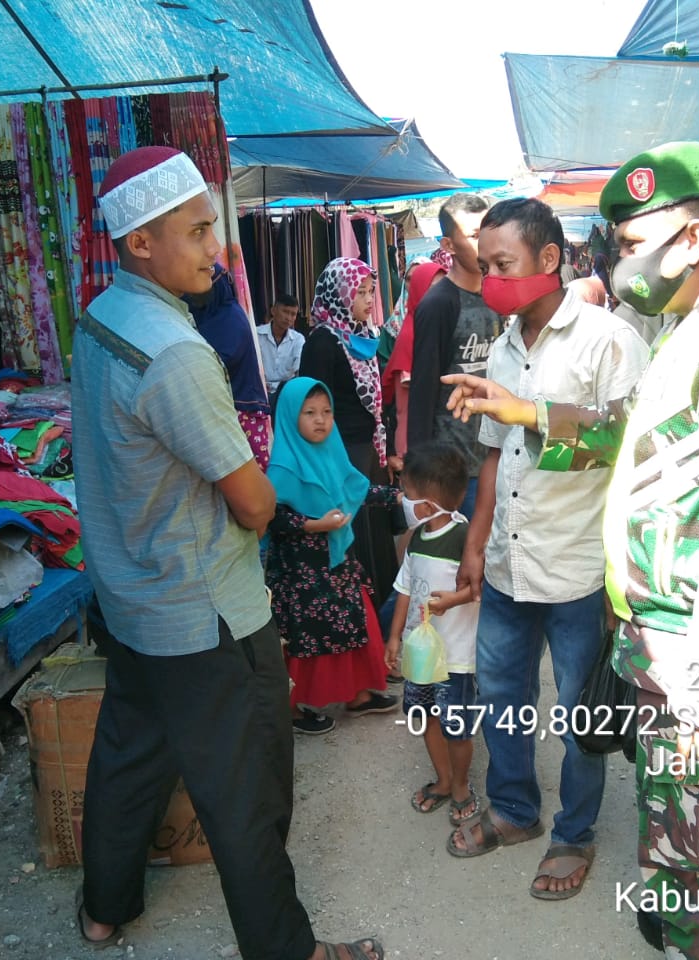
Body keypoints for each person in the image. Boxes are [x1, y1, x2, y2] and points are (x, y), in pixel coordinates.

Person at [444, 141, 699, 958]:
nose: (617, 265)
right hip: (665, 638)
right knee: (678, 824)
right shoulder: (698, 325)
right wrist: (534, 417)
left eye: (626, 245)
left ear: (690, 240)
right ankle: (678, 915)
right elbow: (631, 442)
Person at [72, 145, 383, 960]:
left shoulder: (103, 317)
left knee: (131, 750)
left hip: (134, 592)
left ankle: (103, 910)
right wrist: (274, 489)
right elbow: (251, 502)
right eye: (199, 231)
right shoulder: (176, 353)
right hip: (205, 605)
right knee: (244, 786)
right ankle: (292, 950)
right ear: (141, 242)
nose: (219, 250)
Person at [443, 198, 649, 902]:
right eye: (485, 264)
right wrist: (475, 544)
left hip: (577, 568)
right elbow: (496, 456)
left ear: (550, 260)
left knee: (578, 714)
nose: (491, 277)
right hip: (507, 562)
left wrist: (529, 413)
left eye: (502, 265)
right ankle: (517, 811)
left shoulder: (608, 340)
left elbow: (628, 445)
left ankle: (574, 834)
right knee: (502, 695)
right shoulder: (504, 344)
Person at [265, 377, 400, 734]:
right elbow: (270, 516)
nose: (321, 420)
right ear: (290, 417)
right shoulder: (281, 468)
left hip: (336, 562)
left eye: (326, 411)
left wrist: (397, 497)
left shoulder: (332, 452)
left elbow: (354, 487)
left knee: (356, 622)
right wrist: (312, 525)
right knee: (303, 638)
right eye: (309, 412)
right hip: (301, 575)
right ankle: (291, 709)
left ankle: (356, 694)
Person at [383, 442, 481, 827]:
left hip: (455, 656)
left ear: (426, 504)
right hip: (420, 654)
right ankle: (442, 781)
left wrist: (451, 601)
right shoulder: (417, 538)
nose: (403, 500)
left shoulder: (465, 539)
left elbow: (480, 588)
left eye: (407, 494)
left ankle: (460, 786)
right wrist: (395, 638)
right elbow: (404, 590)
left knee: (456, 727)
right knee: (424, 717)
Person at [298, 257, 400, 608]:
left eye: (371, 291)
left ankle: (381, 609)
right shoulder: (323, 343)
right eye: (361, 292)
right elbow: (311, 406)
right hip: (340, 452)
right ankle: (361, 610)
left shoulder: (363, 336)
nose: (370, 300)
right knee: (355, 533)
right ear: (340, 295)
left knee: (374, 530)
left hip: (367, 449)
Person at [408, 193, 502, 518]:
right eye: (475, 236)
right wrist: (419, 473)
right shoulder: (439, 304)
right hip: (454, 469)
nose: (486, 244)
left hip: (496, 456)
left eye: (489, 231)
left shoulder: (498, 294)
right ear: (448, 245)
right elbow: (422, 390)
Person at [185, 264, 272, 471]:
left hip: (242, 409)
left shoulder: (229, 317)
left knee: (245, 475)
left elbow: (218, 361)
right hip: (227, 407)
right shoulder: (207, 317)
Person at [382, 260, 447, 463]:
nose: (441, 295)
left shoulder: (428, 327)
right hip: (417, 442)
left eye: (445, 287)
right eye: (433, 288)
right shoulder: (412, 334)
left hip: (429, 439)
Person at [257, 293, 304, 398]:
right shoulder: (256, 334)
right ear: (273, 311)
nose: (289, 318)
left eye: (293, 314)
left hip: (286, 392)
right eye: (285, 312)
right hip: (259, 391)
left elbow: (298, 370)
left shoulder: (298, 339)